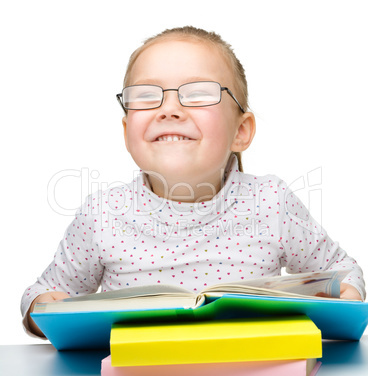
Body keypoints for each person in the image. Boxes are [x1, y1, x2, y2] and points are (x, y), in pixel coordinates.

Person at [21, 26, 366, 338]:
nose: (169, 109)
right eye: (146, 95)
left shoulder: (270, 201)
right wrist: (42, 310)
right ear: (127, 132)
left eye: (199, 93)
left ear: (241, 131)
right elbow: (43, 295)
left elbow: (343, 274)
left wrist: (345, 296)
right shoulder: (102, 214)